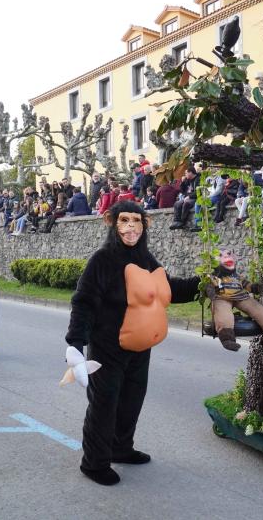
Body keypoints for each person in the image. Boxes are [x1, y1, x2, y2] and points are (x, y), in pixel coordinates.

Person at [65, 201, 199, 486]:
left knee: (130, 402)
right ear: (112, 223)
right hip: (107, 348)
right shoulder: (102, 260)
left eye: (136, 221)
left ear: (144, 225)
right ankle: (94, 463)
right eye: (124, 220)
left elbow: (170, 289)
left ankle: (120, 448)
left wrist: (205, 284)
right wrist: (75, 342)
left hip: (139, 349)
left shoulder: (145, 258)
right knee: (104, 405)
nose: (130, 227)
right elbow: (84, 302)